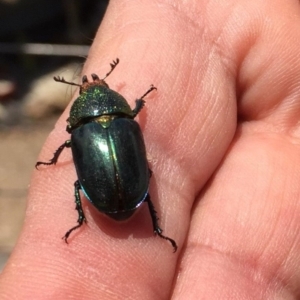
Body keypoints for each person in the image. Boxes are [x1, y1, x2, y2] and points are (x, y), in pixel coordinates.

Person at [1, 1, 300, 298]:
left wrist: (52, 159)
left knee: (82, 183)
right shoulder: (125, 122)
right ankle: (151, 227)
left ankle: (97, 221)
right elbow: (132, 113)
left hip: (113, 193)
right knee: (137, 175)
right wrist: (139, 103)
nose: (93, 83)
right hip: (128, 192)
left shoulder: (77, 131)